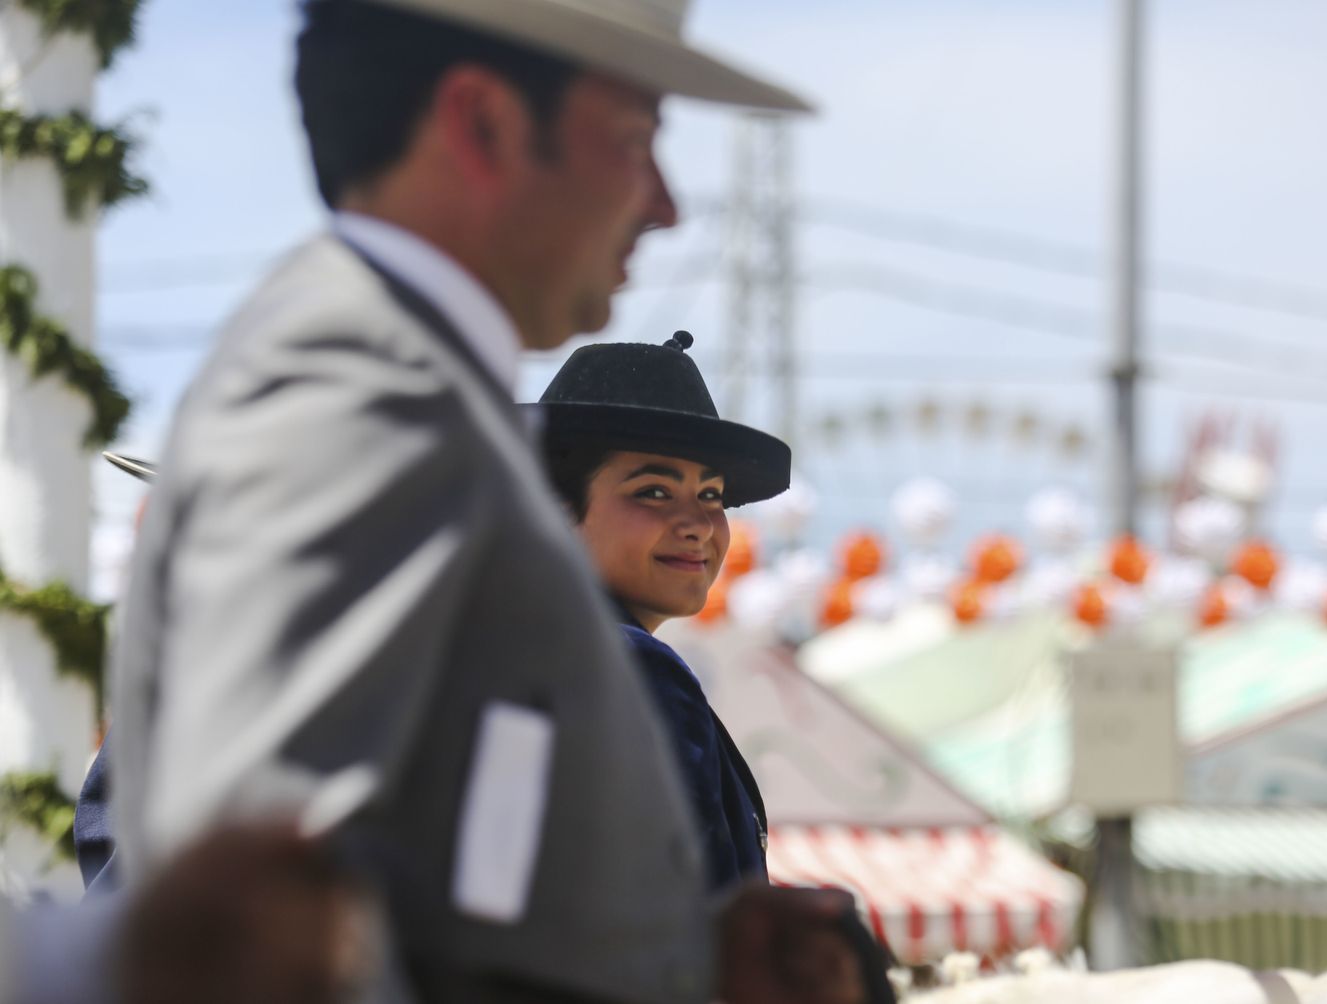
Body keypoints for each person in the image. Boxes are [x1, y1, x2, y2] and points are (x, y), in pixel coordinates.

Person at [99, 1, 863, 1002]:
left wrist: (685, 960)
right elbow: (253, 938)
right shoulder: (363, 402)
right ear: (483, 123)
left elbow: (438, 898)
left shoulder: (397, 389)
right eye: (634, 140)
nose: (666, 204)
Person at [534, 330, 788, 890]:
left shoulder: (504, 645)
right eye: (653, 491)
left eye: (712, 496)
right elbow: (689, 919)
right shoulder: (627, 666)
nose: (697, 524)